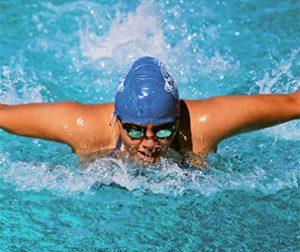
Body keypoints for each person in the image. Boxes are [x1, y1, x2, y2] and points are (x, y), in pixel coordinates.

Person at [0, 56, 299, 167]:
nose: (149, 143)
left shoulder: (205, 124)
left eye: (164, 130)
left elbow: (292, 103)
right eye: (134, 130)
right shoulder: (84, 127)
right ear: (117, 120)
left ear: (178, 119)